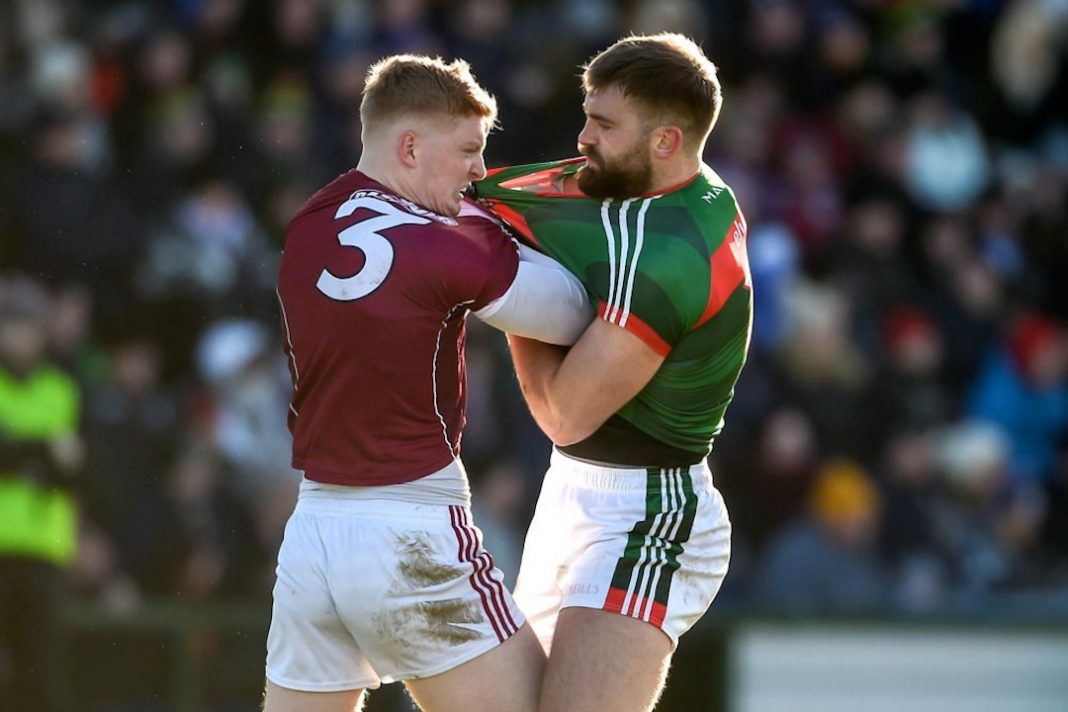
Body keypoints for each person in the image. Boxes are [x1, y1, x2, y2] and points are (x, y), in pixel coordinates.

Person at [264, 54, 591, 712]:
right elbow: (571, 313)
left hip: (314, 531)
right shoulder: (447, 240)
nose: (480, 171)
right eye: (469, 149)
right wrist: (498, 231)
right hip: (409, 528)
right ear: (408, 146)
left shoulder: (305, 226)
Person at [473, 33, 751, 712]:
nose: (583, 137)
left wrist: (506, 292)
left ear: (665, 142)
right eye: (588, 115)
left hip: (648, 512)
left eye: (604, 124)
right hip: (571, 491)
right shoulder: (647, 188)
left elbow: (565, 413)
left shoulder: (672, 253)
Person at [0, 277, 84, 712]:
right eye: (10, 324)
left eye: (27, 325)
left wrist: (19, 449)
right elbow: (54, 458)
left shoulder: (60, 389)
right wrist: (41, 451)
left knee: (41, 672)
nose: (18, 335)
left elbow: (74, 470)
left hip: (43, 552)